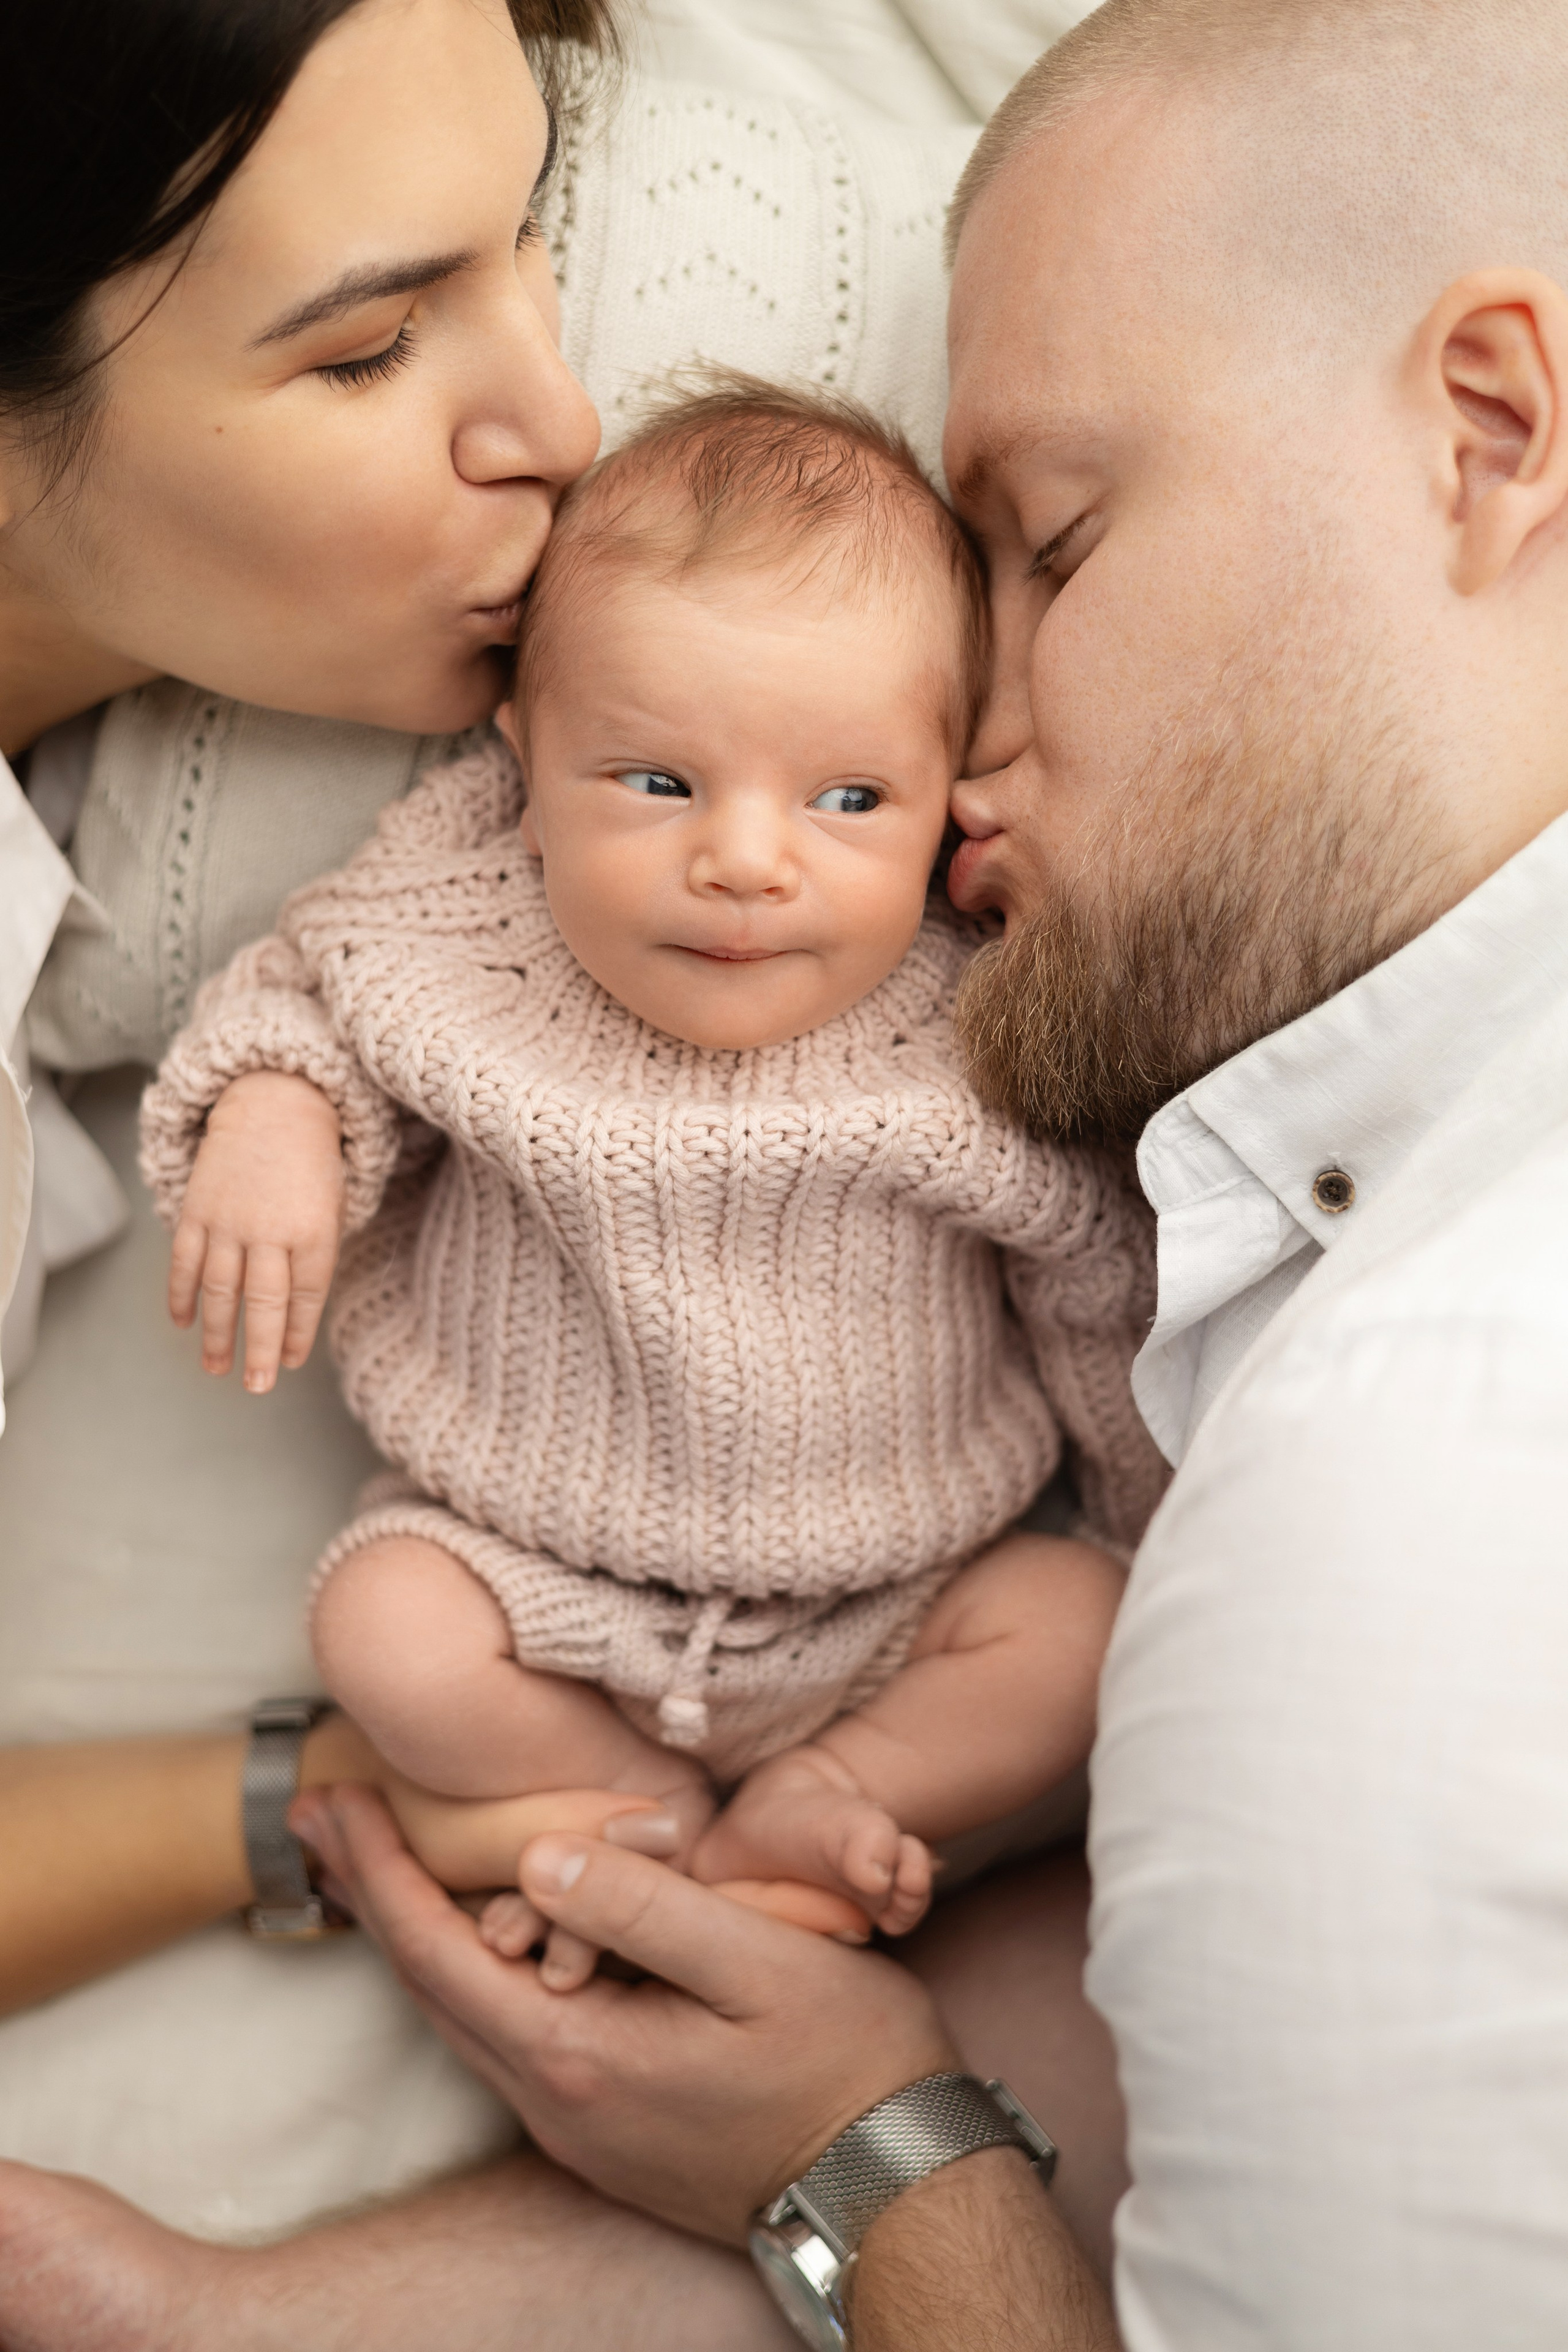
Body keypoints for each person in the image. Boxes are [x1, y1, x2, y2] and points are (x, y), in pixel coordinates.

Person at [9, 0, 1566, 2340]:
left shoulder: (1382, 1476)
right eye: (362, 349)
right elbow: (322, 1005)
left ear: (1499, 431)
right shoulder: (1394, 1465)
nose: (565, 424)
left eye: (1047, 542)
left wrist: (863, 2145)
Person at [139, 382, 1162, 1967]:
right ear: (523, 762)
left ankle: (829, 1794)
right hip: (540, 1586)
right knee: (386, 1630)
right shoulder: (468, 925)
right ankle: (643, 1822)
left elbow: (1095, 1274)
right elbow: (311, 993)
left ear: (950, 790)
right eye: (659, 783)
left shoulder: (975, 1020)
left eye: (847, 800)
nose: (747, 860)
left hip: (895, 1602)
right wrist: (273, 1115)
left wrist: (1143, 1500)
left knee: (1081, 1637)